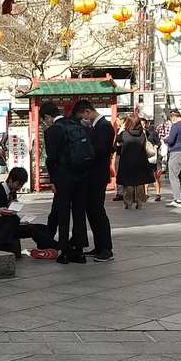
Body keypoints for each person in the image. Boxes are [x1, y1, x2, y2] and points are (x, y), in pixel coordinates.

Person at [41, 101, 91, 264]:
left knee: (63, 213)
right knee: (79, 212)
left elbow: (52, 158)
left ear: (47, 116)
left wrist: (53, 179)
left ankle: (64, 251)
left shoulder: (51, 131)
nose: (45, 123)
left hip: (64, 177)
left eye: (44, 120)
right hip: (82, 175)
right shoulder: (75, 125)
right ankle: (80, 251)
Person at [0, 166, 61, 258]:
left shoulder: (12, 192)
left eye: (21, 185)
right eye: (18, 184)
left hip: (10, 225)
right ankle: (59, 247)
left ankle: (45, 249)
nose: (19, 187)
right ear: (11, 179)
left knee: (42, 228)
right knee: (31, 229)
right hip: (0, 227)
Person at [74, 101, 114, 263]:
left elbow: (100, 149)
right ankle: (99, 245)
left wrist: (83, 150)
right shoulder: (95, 127)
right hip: (91, 176)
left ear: (87, 111)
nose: (82, 120)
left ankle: (106, 248)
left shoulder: (104, 127)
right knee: (91, 211)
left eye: (81, 117)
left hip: (98, 176)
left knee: (97, 211)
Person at [116, 114, 157, 209]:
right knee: (140, 182)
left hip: (127, 161)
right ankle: (139, 202)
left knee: (128, 183)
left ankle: (128, 202)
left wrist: (121, 129)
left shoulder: (124, 133)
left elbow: (117, 144)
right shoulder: (143, 133)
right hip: (141, 161)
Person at [144, 117, 164, 202]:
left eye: (144, 123)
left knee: (154, 175)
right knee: (145, 176)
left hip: (151, 156)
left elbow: (158, 142)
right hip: (143, 157)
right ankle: (145, 193)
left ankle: (158, 193)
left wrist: (156, 146)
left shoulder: (152, 133)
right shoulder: (140, 133)